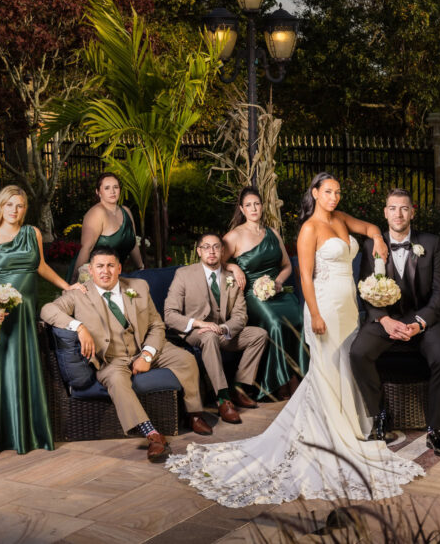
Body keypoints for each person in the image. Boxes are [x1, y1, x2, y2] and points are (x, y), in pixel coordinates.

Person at [165, 173, 425, 506]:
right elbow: (304, 276)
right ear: (315, 193)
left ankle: (347, 424)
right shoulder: (309, 229)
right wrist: (314, 314)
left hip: (350, 308)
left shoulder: (342, 218)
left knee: (346, 365)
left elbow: (371, 228)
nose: (333, 197)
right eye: (327, 192)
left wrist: (377, 240)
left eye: (337, 192)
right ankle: (328, 433)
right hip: (325, 308)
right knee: (327, 369)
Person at [41, 247, 209, 462]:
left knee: (186, 359)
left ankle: (194, 414)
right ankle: (153, 435)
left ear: (119, 268)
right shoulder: (78, 295)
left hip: (144, 347)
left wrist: (147, 356)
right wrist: (79, 327)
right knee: (116, 380)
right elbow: (47, 310)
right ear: (90, 270)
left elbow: (157, 325)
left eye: (111, 265)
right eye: (99, 266)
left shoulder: (138, 286)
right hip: (112, 359)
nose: (105, 271)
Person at [0, 186, 83, 455]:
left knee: (22, 368)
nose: (14, 210)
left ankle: (26, 432)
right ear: (0, 206)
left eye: (19, 206)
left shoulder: (33, 234)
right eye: (9, 205)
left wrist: (67, 286)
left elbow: (40, 266)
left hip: (23, 315)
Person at [350, 188, 440, 457]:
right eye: (393, 208)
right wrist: (383, 320)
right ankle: (380, 414)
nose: (398, 214)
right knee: (359, 352)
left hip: (426, 319)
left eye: (404, 208)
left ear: (412, 212)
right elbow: (365, 290)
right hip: (388, 319)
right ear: (385, 213)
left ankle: (435, 429)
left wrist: (420, 323)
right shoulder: (372, 246)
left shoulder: (432, 244)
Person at [164, 233, 267, 424]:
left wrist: (224, 328)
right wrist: (199, 323)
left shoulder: (232, 277)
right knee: (209, 337)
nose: (211, 251)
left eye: (216, 247)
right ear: (198, 251)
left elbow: (240, 315)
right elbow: (170, 314)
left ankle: (239, 388)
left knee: (259, 334)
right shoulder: (184, 275)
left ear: (222, 251)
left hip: (223, 332)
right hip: (197, 332)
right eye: (206, 247)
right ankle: (223, 398)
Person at [222, 187, 306, 400]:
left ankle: (296, 376)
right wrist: (234, 267)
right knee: (276, 324)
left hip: (278, 292)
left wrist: (278, 281)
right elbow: (214, 261)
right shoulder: (234, 236)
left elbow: (286, 265)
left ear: (262, 206)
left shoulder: (273, 233)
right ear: (242, 209)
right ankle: (280, 382)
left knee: (299, 320)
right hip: (253, 296)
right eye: (248, 205)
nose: (253, 208)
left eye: (256, 204)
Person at [65, 172, 144, 282]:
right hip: (91, 276)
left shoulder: (126, 212)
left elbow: (133, 244)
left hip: (114, 275)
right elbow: (86, 249)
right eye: (107, 188)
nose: (112, 191)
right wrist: (74, 280)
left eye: (115, 187)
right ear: (98, 192)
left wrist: (141, 269)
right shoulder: (96, 213)